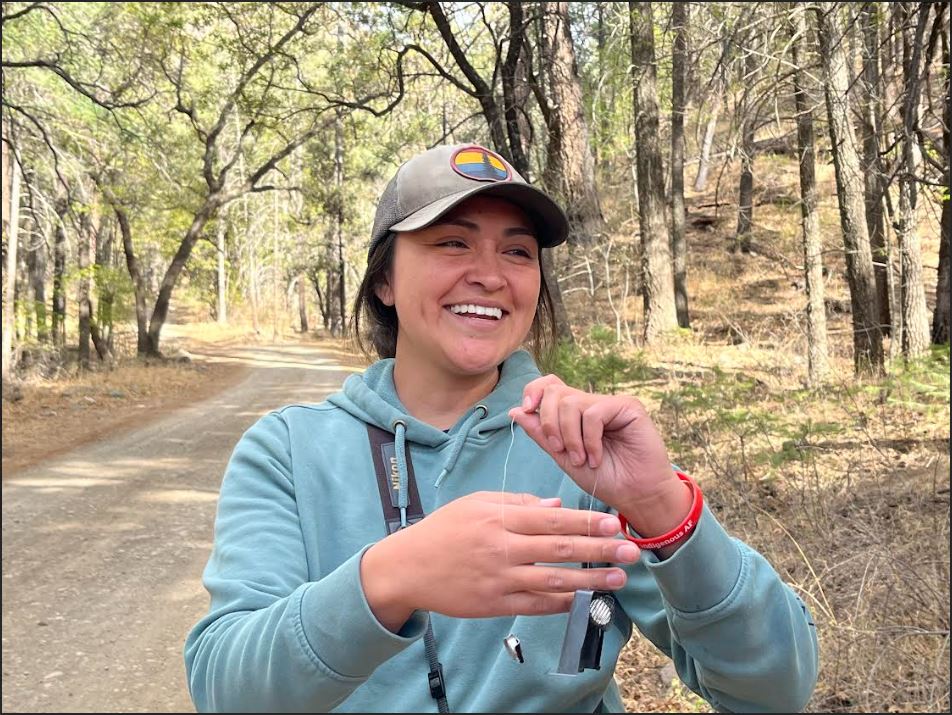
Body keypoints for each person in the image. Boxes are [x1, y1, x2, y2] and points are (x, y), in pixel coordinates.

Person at [184, 143, 819, 713]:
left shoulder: (584, 453)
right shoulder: (289, 451)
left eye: (517, 251)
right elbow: (226, 689)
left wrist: (660, 506)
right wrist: (390, 578)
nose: (490, 274)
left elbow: (773, 691)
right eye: (452, 242)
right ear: (383, 279)